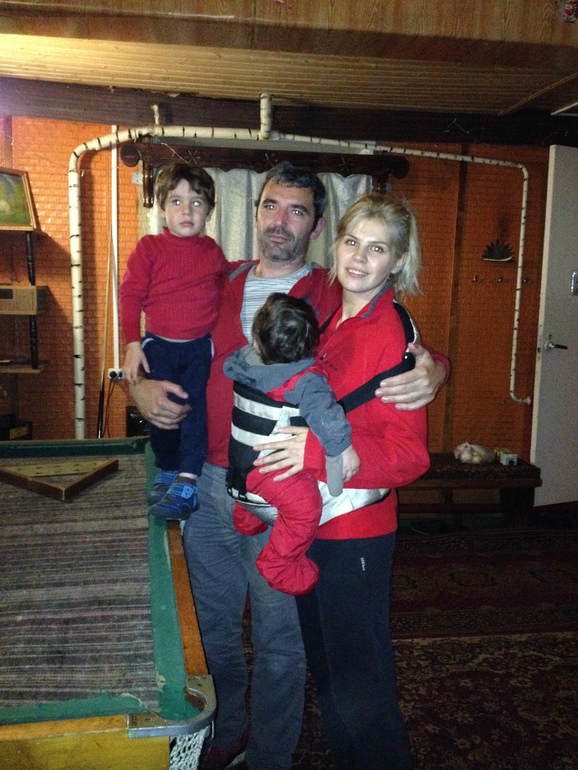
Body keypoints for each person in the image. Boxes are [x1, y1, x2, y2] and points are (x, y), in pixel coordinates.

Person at [129, 162, 448, 770]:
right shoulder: (217, 276)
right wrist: (135, 386)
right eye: (271, 205)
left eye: (297, 210)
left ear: (317, 227)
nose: (281, 220)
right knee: (211, 629)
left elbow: (394, 340)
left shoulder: (329, 291)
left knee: (283, 637)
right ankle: (228, 730)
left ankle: (271, 756)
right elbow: (160, 337)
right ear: (256, 213)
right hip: (209, 482)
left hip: (286, 490)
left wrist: (434, 367)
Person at [255, 191, 429, 769]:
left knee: (363, 687)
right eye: (352, 241)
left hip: (356, 532)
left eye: (377, 248)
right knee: (330, 675)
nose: (359, 257)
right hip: (319, 523)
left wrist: (311, 451)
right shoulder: (333, 316)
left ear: (398, 260)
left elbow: (408, 456)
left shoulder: (389, 331)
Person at [224, 292, 360, 596]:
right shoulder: (305, 382)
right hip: (270, 471)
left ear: (256, 342)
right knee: (305, 510)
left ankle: (247, 519)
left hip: (237, 464)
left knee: (252, 481)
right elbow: (327, 418)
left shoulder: (242, 363)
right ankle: (278, 562)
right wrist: (343, 449)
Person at [119, 161, 228, 520]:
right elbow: (130, 296)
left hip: (198, 349)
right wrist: (132, 344)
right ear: (162, 208)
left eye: (196, 203)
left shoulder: (212, 252)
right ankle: (167, 468)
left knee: (195, 413)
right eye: (176, 201)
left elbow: (228, 284)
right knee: (164, 414)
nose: (186, 211)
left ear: (209, 212)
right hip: (158, 346)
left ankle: (188, 480)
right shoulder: (149, 248)